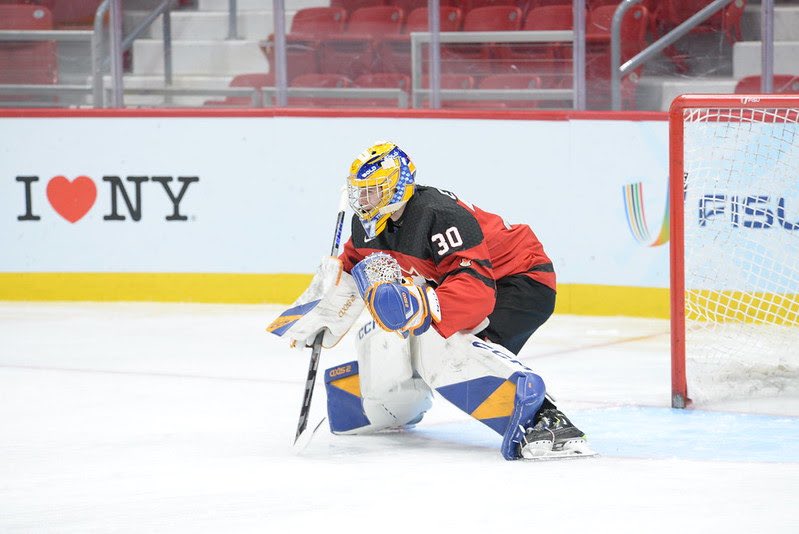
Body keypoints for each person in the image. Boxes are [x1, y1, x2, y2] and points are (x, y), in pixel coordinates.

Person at [276, 141, 593, 460]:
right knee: (399, 332)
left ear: (397, 187)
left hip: (520, 279)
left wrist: (424, 305)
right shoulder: (369, 224)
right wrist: (320, 310)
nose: (363, 199)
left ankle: (546, 421)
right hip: (475, 284)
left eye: (372, 190)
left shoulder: (439, 215)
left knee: (451, 349)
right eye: (360, 191)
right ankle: (387, 402)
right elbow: (351, 267)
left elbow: (475, 288)